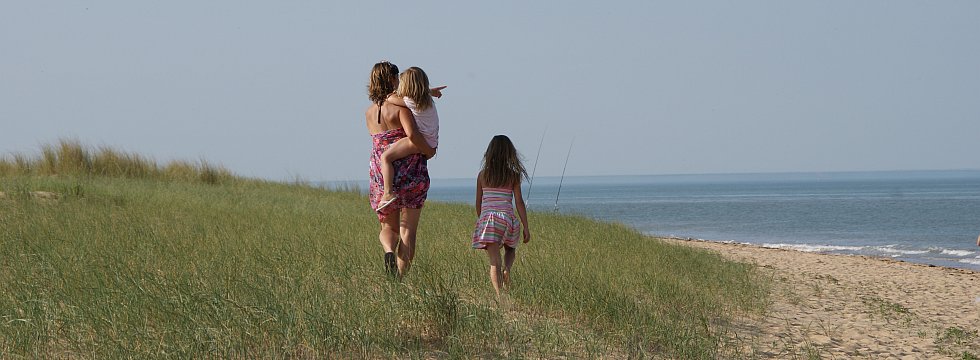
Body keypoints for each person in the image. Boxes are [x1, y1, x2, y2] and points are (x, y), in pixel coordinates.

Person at [365, 61, 436, 278]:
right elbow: (413, 135)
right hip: (410, 169)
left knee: (389, 228)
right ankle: (400, 279)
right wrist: (428, 151)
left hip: (380, 171)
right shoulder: (400, 108)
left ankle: (388, 250)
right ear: (392, 79)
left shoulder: (369, 112)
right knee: (408, 230)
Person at [472, 135, 531, 297]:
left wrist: (482, 220)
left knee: (493, 261)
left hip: (488, 219)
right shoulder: (513, 175)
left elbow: (478, 202)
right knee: (510, 248)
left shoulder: (482, 175)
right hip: (507, 219)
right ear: (509, 154)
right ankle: (508, 269)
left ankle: (499, 296)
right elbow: (518, 202)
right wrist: (525, 226)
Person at [377, 67, 441, 211]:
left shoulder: (410, 102)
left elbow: (389, 98)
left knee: (386, 157)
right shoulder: (426, 100)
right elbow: (422, 93)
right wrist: (432, 92)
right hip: (431, 139)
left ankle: (388, 193)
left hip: (421, 140)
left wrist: (387, 94)